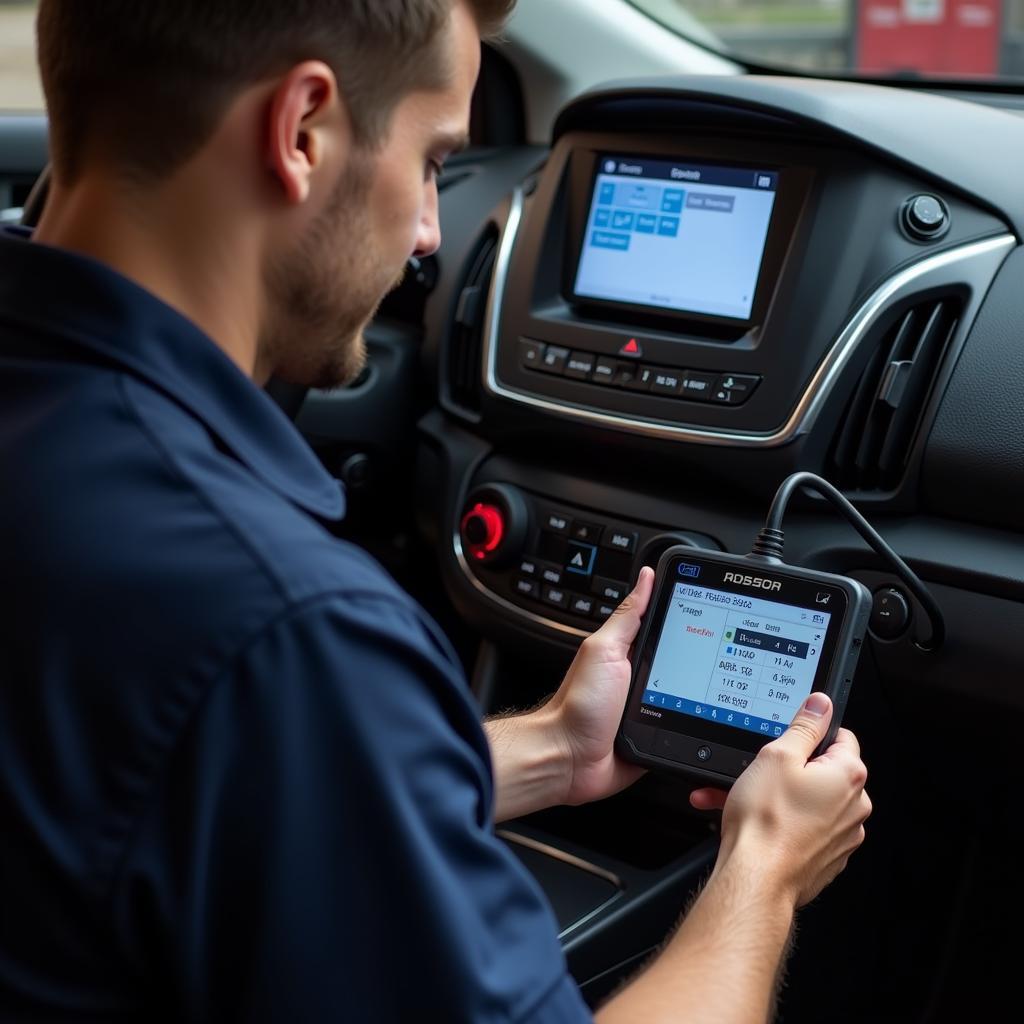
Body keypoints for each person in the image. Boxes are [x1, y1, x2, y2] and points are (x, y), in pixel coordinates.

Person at [0, 1, 871, 1021]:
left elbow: (193, 791)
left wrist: (551, 748)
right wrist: (761, 866)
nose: (428, 235)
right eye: (430, 161)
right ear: (302, 132)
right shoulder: (285, 628)